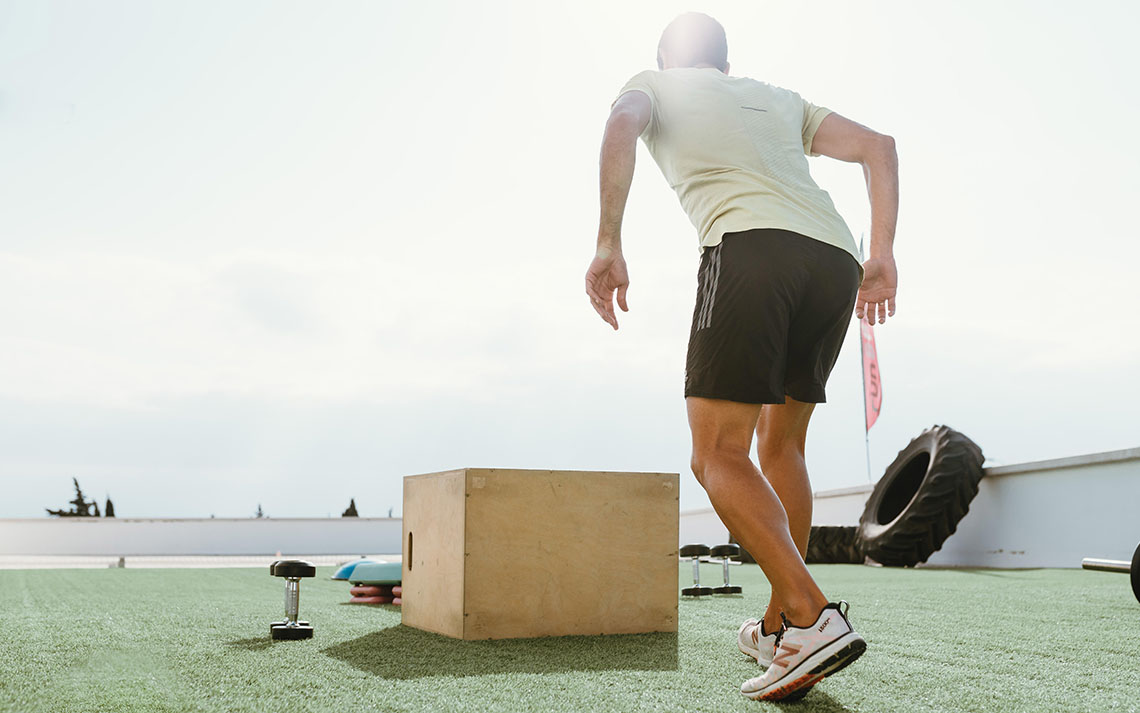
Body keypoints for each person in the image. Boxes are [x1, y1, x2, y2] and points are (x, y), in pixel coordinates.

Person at [583, 12, 899, 703]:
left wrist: (608, 241)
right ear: (726, 66)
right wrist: (882, 254)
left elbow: (619, 127)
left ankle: (811, 613)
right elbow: (879, 146)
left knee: (715, 452)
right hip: (833, 261)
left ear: (667, 61)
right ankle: (782, 622)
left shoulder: (653, 86)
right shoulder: (779, 98)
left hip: (751, 250)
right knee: (779, 446)